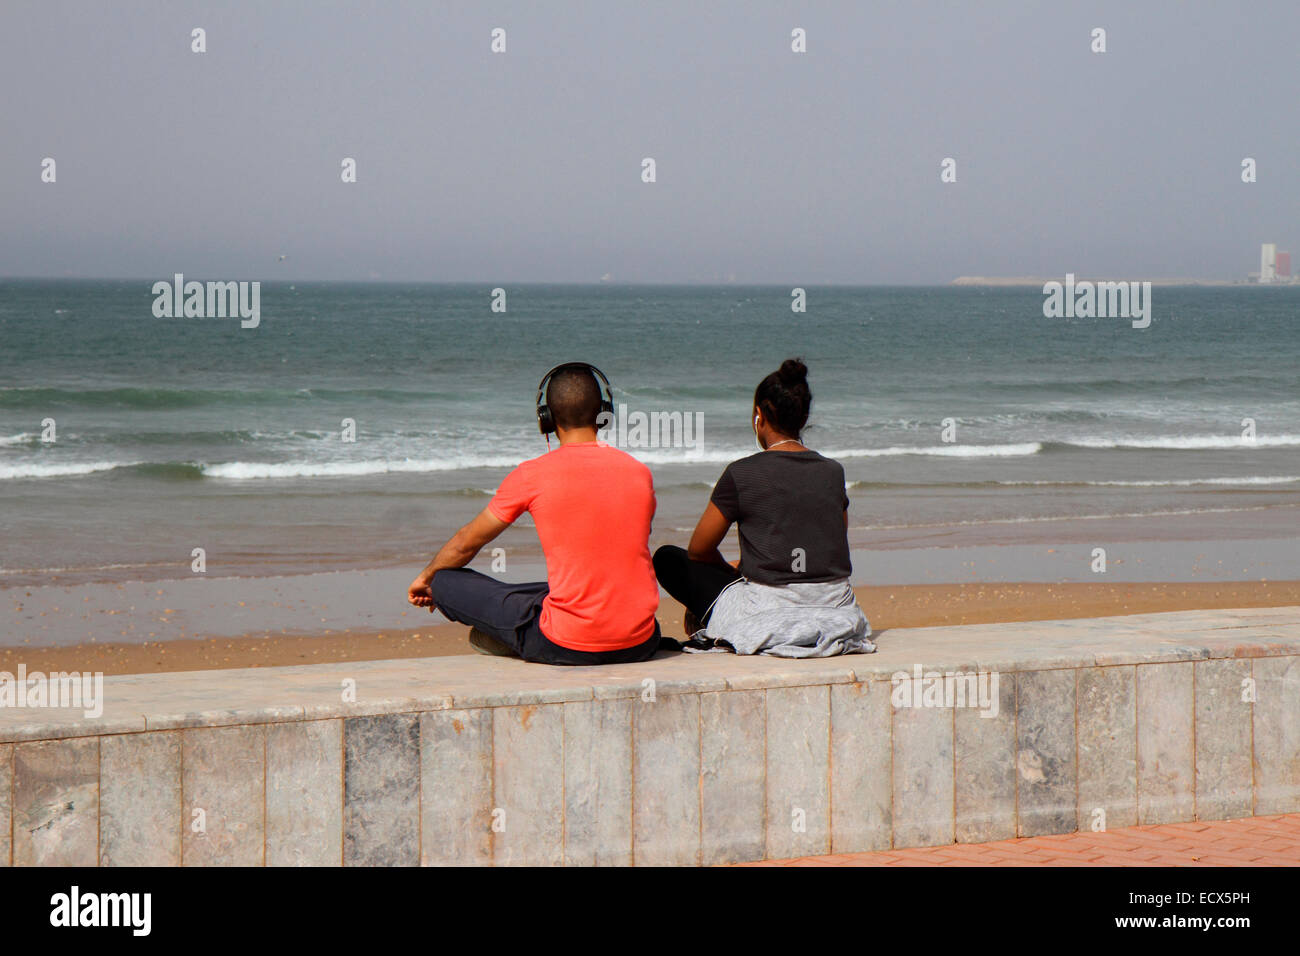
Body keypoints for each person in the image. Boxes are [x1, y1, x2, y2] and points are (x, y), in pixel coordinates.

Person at [407, 362, 664, 664]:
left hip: (568, 646)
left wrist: (426, 578)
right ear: (604, 413)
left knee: (445, 582)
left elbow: (467, 543)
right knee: (550, 592)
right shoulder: (638, 472)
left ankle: (510, 638)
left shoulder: (532, 475)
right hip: (641, 641)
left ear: (546, 419)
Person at [653, 358, 873, 657]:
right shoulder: (833, 471)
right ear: (804, 416)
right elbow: (832, 538)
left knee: (668, 559)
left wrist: (735, 572)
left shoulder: (742, 473)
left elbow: (699, 550)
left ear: (759, 416)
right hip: (836, 607)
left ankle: (711, 619)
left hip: (768, 612)